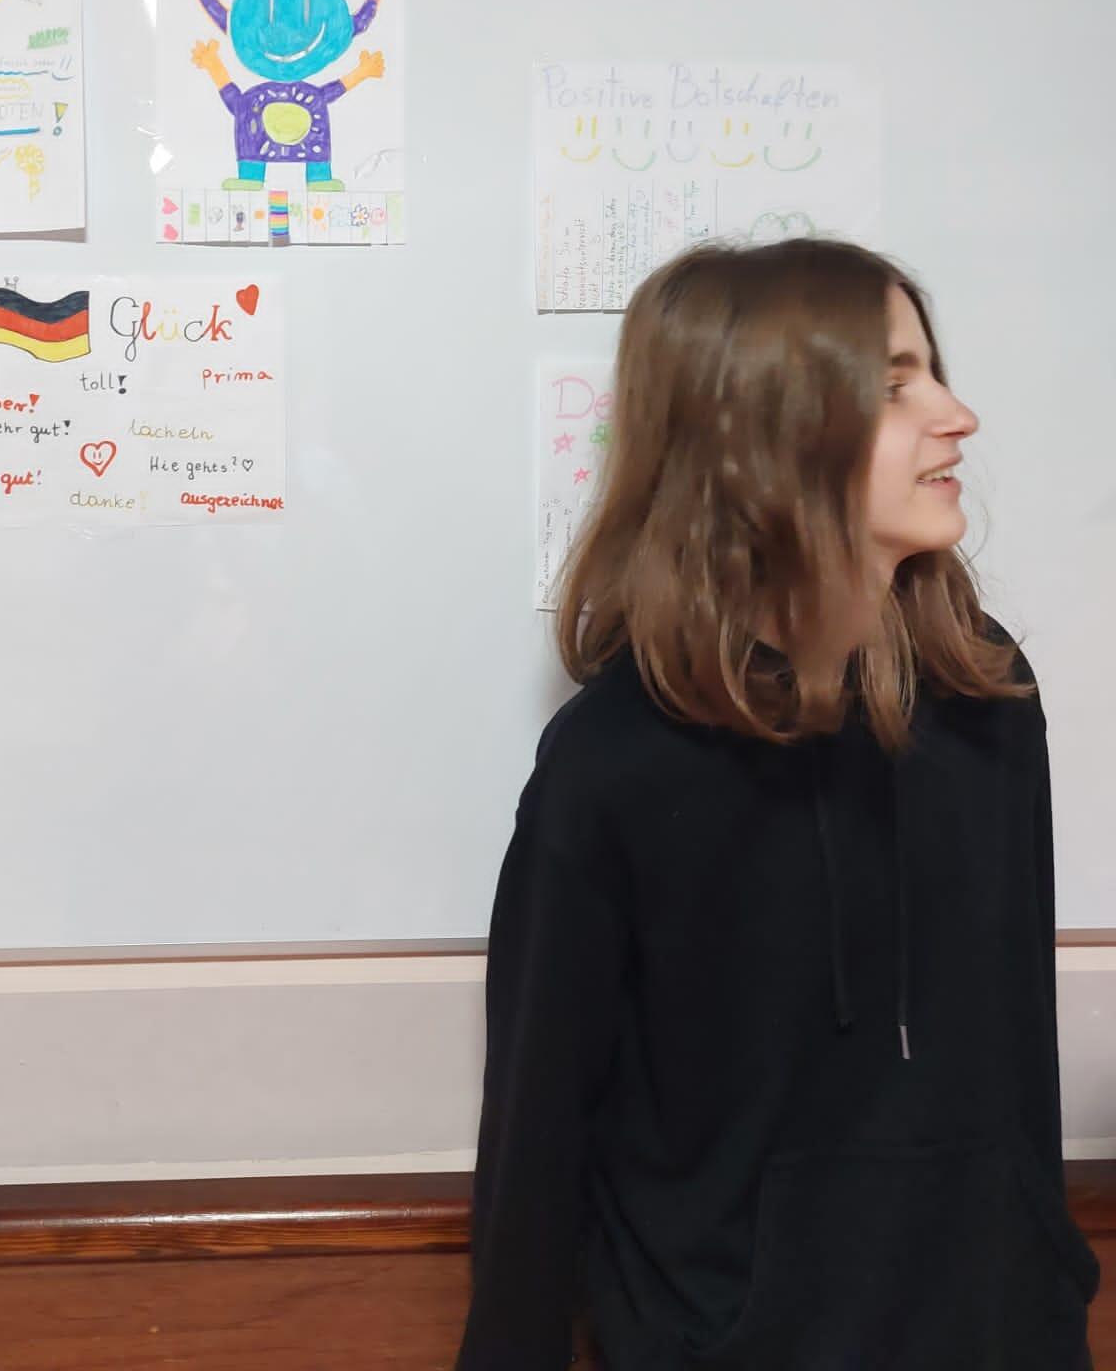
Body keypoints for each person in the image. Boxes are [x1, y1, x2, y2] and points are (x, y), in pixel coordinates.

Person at [456, 238, 1099, 1371]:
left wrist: (1048, 1294)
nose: (957, 417)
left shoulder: (987, 693)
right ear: (765, 435)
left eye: (933, 373)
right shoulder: (617, 761)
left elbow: (1015, 1056)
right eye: (894, 386)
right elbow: (539, 1127)